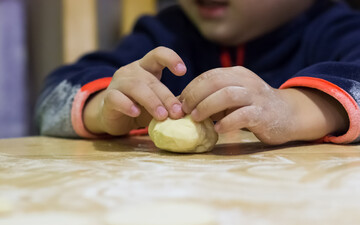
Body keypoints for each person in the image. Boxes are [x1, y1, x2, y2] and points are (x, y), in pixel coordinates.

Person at [35, 0, 360, 145]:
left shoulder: (336, 28)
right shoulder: (164, 34)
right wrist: (106, 109)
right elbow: (53, 98)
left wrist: (292, 109)